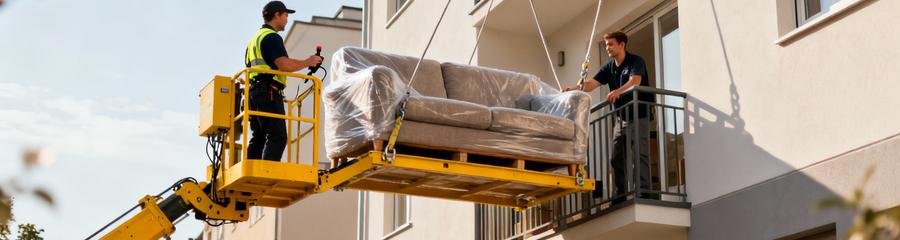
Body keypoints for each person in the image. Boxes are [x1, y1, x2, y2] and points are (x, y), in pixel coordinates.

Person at [566, 31, 655, 203]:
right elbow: (591, 83)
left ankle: (644, 191)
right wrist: (572, 90)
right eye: (606, 45)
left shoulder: (636, 61)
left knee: (640, 153)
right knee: (616, 157)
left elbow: (635, 81)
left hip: (639, 114)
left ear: (622, 44)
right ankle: (620, 194)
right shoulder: (609, 67)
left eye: (611, 44)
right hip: (621, 117)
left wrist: (617, 92)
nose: (607, 48)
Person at [245, 1, 322, 161]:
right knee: (277, 137)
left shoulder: (254, 40)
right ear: (277, 15)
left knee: (258, 137)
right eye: (286, 15)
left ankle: (251, 172)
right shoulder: (272, 37)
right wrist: (308, 61)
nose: (287, 19)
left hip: (253, 93)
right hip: (269, 92)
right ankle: (266, 172)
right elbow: (284, 64)